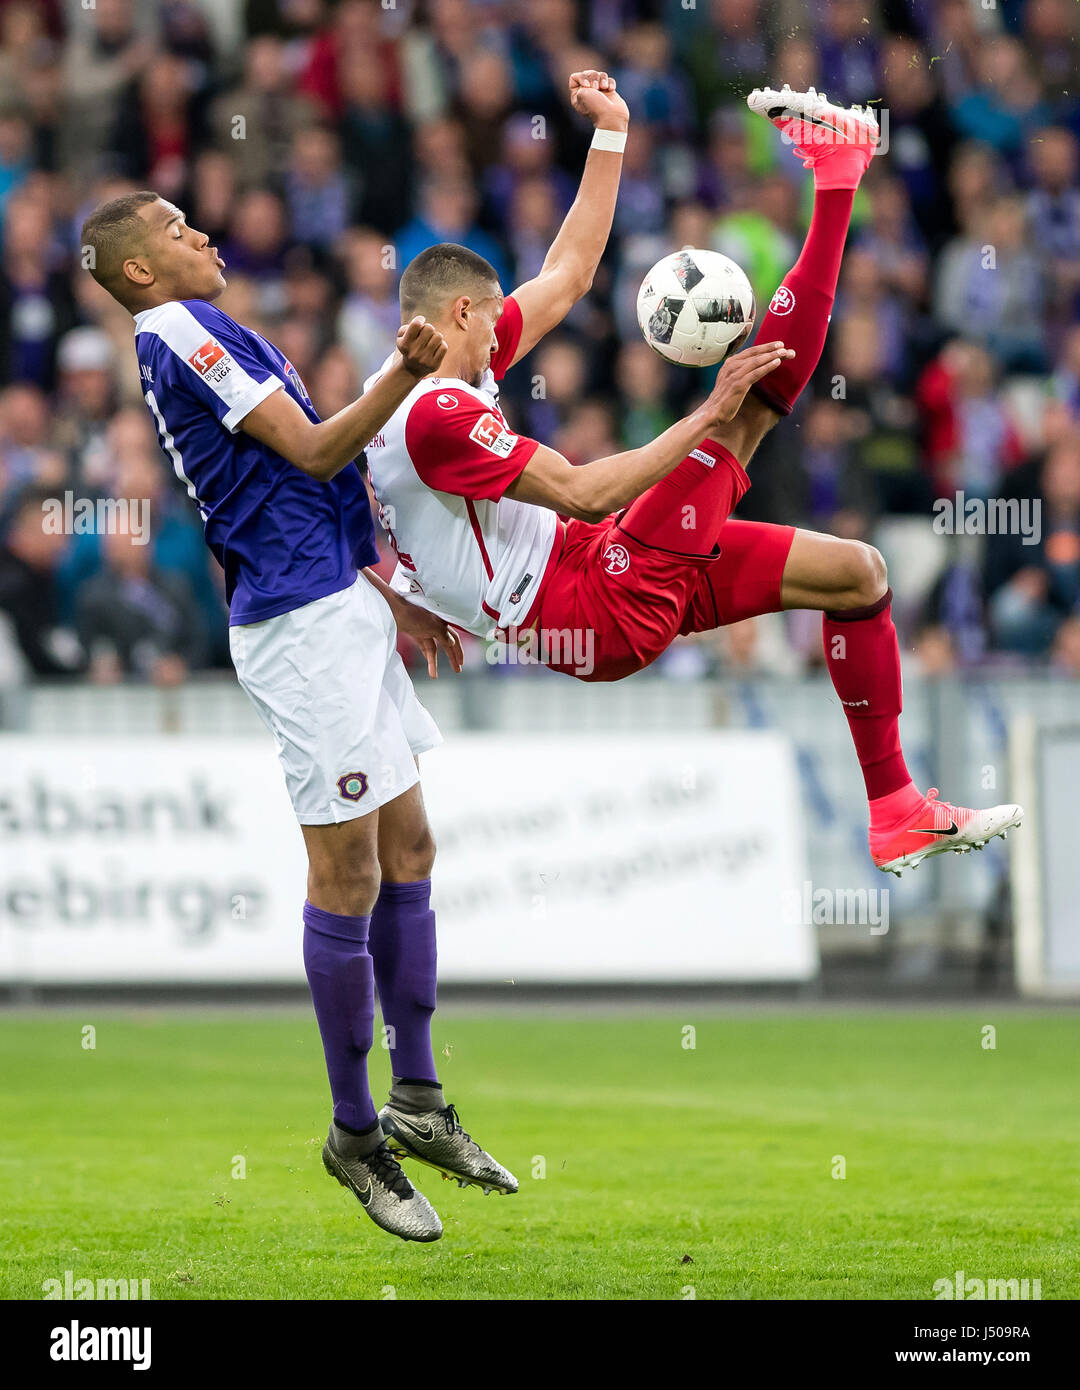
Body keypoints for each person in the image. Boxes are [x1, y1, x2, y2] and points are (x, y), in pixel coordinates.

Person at [364, 85, 1023, 878]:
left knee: (858, 575)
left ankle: (896, 812)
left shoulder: (427, 374)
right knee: (749, 411)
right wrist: (707, 413)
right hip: (593, 601)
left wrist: (610, 132)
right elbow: (582, 492)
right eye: (497, 312)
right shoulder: (434, 410)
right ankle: (841, 173)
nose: (509, 326)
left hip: (593, 566)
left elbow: (569, 275)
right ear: (462, 311)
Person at [79, 177, 514, 1244]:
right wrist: (401, 373)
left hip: (338, 602)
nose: (206, 230)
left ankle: (416, 1095)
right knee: (351, 870)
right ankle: (356, 1134)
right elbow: (320, 450)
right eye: (181, 229)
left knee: (411, 848)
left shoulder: (209, 323)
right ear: (140, 269)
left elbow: (311, 473)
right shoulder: (177, 328)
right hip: (297, 626)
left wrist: (385, 587)